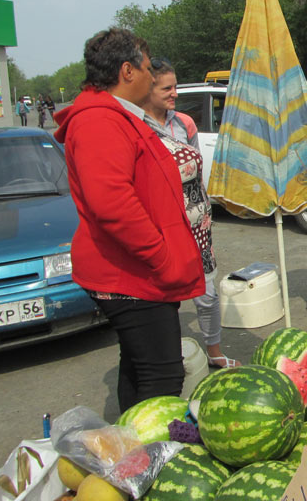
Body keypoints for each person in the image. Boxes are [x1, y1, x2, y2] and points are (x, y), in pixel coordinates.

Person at [54, 28, 205, 413]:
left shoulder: (114, 116)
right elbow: (112, 204)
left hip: (137, 272)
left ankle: (128, 454)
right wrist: (162, 258)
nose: (153, 78)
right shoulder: (99, 122)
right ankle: (152, 464)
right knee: (163, 377)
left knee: (139, 368)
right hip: (132, 275)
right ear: (127, 71)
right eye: (146, 69)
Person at [141, 57, 240, 369]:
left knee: (207, 293)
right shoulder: (138, 127)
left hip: (197, 222)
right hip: (163, 224)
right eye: (167, 88)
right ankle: (168, 357)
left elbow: (195, 169)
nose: (174, 94)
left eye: (175, 86)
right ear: (148, 88)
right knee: (165, 295)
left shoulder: (184, 123)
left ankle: (214, 350)